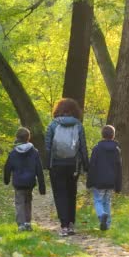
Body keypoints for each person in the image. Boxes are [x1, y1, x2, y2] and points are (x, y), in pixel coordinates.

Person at [45, 98, 89, 236]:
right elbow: (82, 147)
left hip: (57, 165)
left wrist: (47, 164)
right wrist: (86, 166)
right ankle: (71, 224)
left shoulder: (52, 125)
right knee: (71, 193)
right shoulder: (78, 125)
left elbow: (47, 147)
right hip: (73, 165)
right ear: (75, 111)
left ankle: (63, 225)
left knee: (60, 194)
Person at [4, 127, 46, 232]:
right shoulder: (34, 152)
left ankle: (21, 224)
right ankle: (27, 222)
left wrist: (6, 179)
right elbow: (39, 169)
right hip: (30, 182)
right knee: (28, 201)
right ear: (28, 138)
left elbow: (7, 167)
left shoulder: (13, 153)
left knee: (19, 202)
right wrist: (42, 185)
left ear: (17, 138)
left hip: (18, 182)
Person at [86, 125, 122, 231]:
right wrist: (118, 185)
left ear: (102, 135)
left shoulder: (97, 149)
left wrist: (89, 182)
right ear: (113, 135)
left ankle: (102, 215)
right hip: (111, 181)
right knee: (107, 201)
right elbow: (119, 168)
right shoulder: (117, 150)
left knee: (98, 200)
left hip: (99, 181)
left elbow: (92, 166)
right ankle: (107, 224)